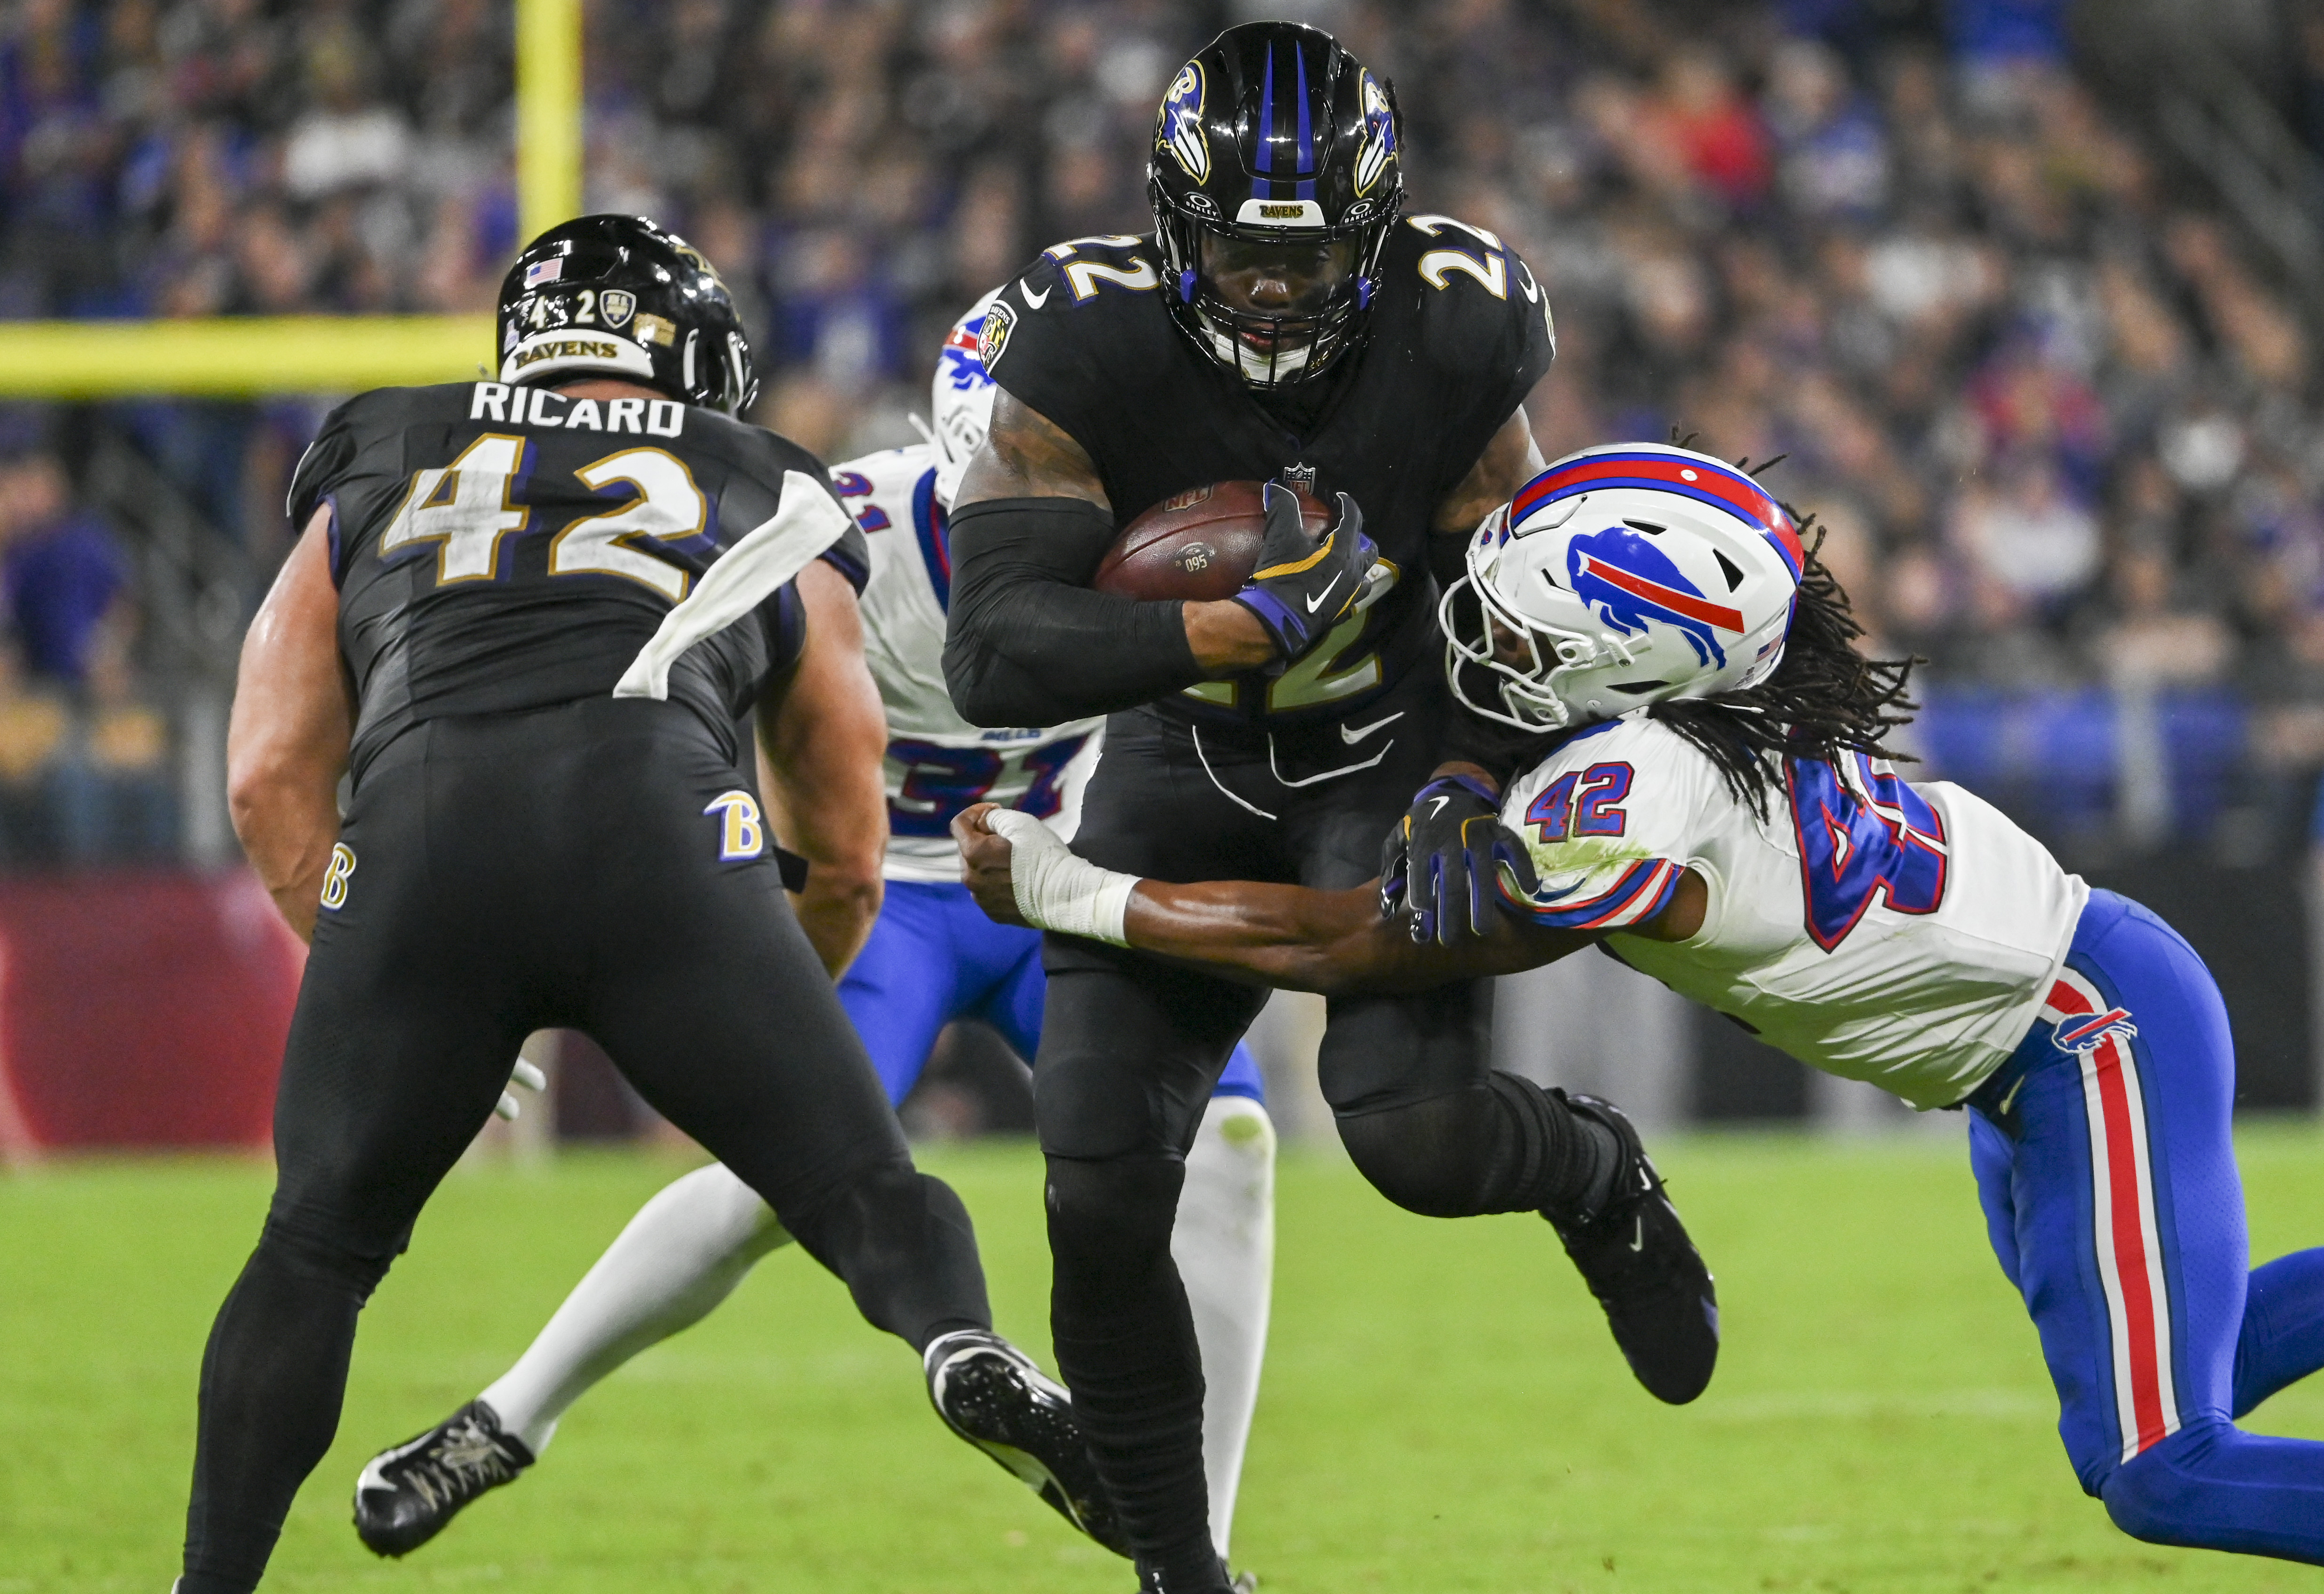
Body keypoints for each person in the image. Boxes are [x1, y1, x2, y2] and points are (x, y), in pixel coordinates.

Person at [962, 441, 2324, 1568]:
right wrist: (1462, 782)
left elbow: (1350, 947)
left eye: (1517, 633)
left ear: (1632, 672)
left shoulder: (1637, 797)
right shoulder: (1701, 708)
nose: (1474, 641)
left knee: (2161, 1470)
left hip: (2084, 1031)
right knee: (2145, 1413)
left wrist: (1071, 893)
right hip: (2026, 1052)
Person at [178, 214, 1114, 1594]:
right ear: (687, 357)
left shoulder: (383, 444)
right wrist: (788, 978)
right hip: (661, 838)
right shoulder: (767, 479)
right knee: (866, 1189)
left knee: (315, 1247)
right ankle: (960, 1345)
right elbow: (844, 817)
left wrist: (361, 948)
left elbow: (266, 770)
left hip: (422, 835)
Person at [938, 23, 1718, 1593]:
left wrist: (1463, 771)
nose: (1274, 290)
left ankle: (1590, 1172)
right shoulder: (1076, 343)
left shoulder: (1459, 325)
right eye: (1237, 252)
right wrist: (1213, 632)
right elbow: (992, 649)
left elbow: (1526, 600)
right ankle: (1180, 1573)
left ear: (1376, 233)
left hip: (1394, 737)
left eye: (1307, 257)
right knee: (1094, 1184)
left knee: (1414, 1138)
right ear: (1171, 227)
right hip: (1186, 749)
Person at [350, 292, 1279, 1572]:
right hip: (877, 889)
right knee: (771, 1180)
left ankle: (1193, 1555)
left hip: (1052, 877)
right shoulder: (831, 528)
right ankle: (508, 1419)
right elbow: (651, 676)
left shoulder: (1176, 534)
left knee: (1230, 1136)